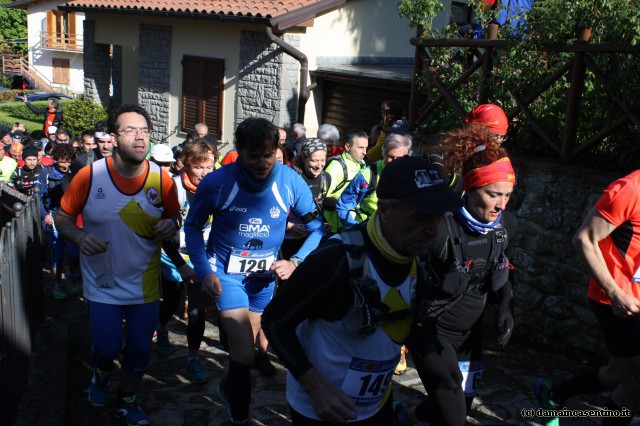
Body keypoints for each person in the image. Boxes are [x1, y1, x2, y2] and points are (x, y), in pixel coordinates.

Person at [262, 155, 465, 425]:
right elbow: (275, 322)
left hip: (376, 404)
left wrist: (428, 355)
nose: (432, 229)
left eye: (438, 217)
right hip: (321, 409)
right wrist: (316, 388)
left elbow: (408, 316)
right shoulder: (335, 259)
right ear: (384, 210)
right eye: (420, 216)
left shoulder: (416, 253)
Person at [184, 117, 325, 425]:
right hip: (226, 274)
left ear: (278, 150)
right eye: (253, 155)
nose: (262, 163)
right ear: (239, 151)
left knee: (251, 349)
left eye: (268, 154)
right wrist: (204, 270)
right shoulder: (217, 182)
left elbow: (317, 229)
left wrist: (295, 261)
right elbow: (192, 227)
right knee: (246, 353)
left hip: (264, 279)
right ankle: (240, 416)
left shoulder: (290, 181)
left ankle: (228, 387)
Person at [54, 104, 181, 426]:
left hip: (145, 284)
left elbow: (173, 218)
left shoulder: (162, 179)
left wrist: (171, 225)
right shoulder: (90, 175)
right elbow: (63, 218)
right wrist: (81, 238)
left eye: (145, 131)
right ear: (112, 138)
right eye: (130, 130)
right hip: (103, 283)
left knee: (139, 351)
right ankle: (100, 374)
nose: (140, 137)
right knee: (106, 348)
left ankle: (126, 399)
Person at [397, 128, 517, 426]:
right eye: (493, 194)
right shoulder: (440, 228)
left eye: (508, 195)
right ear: (471, 186)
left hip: (470, 337)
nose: (501, 204)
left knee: (452, 408)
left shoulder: (507, 226)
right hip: (433, 332)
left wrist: (506, 307)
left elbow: (505, 266)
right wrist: (419, 344)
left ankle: (403, 417)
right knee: (454, 419)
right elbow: (404, 288)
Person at [535, 171, 640, 426]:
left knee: (615, 376)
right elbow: (584, 239)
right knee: (636, 388)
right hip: (619, 301)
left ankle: (554, 393)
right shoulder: (630, 189)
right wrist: (615, 294)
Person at [155, 140, 215, 385]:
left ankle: (192, 359)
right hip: (173, 254)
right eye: (199, 168)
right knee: (171, 301)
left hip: (200, 254)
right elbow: (164, 234)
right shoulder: (173, 188)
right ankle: (162, 327)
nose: (204, 173)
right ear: (186, 165)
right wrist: (181, 264)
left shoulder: (215, 188)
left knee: (196, 310)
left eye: (209, 167)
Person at [336, 133, 412, 227]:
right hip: (369, 226)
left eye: (400, 158)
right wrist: (354, 228)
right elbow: (344, 204)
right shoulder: (367, 176)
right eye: (391, 157)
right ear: (383, 153)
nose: (395, 162)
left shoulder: (412, 175)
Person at [38, 144, 79, 299]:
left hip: (70, 217)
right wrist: (44, 215)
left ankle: (72, 276)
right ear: (56, 159)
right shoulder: (46, 173)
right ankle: (58, 284)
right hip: (52, 216)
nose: (65, 165)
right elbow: (39, 196)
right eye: (62, 161)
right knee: (58, 253)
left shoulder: (74, 172)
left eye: (68, 161)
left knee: (74, 253)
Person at [281, 138, 331, 260]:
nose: (319, 166)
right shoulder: (291, 176)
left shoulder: (326, 178)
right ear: (304, 158)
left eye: (322, 160)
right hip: (287, 239)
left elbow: (318, 205)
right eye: (314, 160)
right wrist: (288, 226)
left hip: (311, 239)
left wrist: (322, 222)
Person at [323, 129, 368, 233]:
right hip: (334, 229)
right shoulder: (336, 166)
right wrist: (347, 203)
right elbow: (324, 197)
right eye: (360, 147)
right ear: (347, 147)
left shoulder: (363, 164)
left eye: (366, 148)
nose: (365, 152)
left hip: (355, 225)